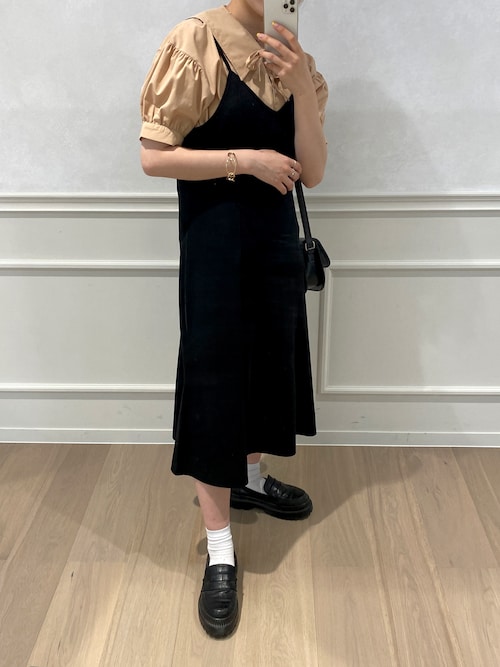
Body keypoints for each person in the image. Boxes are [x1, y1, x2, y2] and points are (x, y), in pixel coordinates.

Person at [139, 0, 328, 639]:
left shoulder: (293, 56)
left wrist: (300, 86)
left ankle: (248, 478)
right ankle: (219, 546)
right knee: (216, 380)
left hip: (275, 245)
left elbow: (314, 172)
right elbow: (154, 156)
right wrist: (245, 161)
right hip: (215, 245)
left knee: (268, 367)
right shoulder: (196, 41)